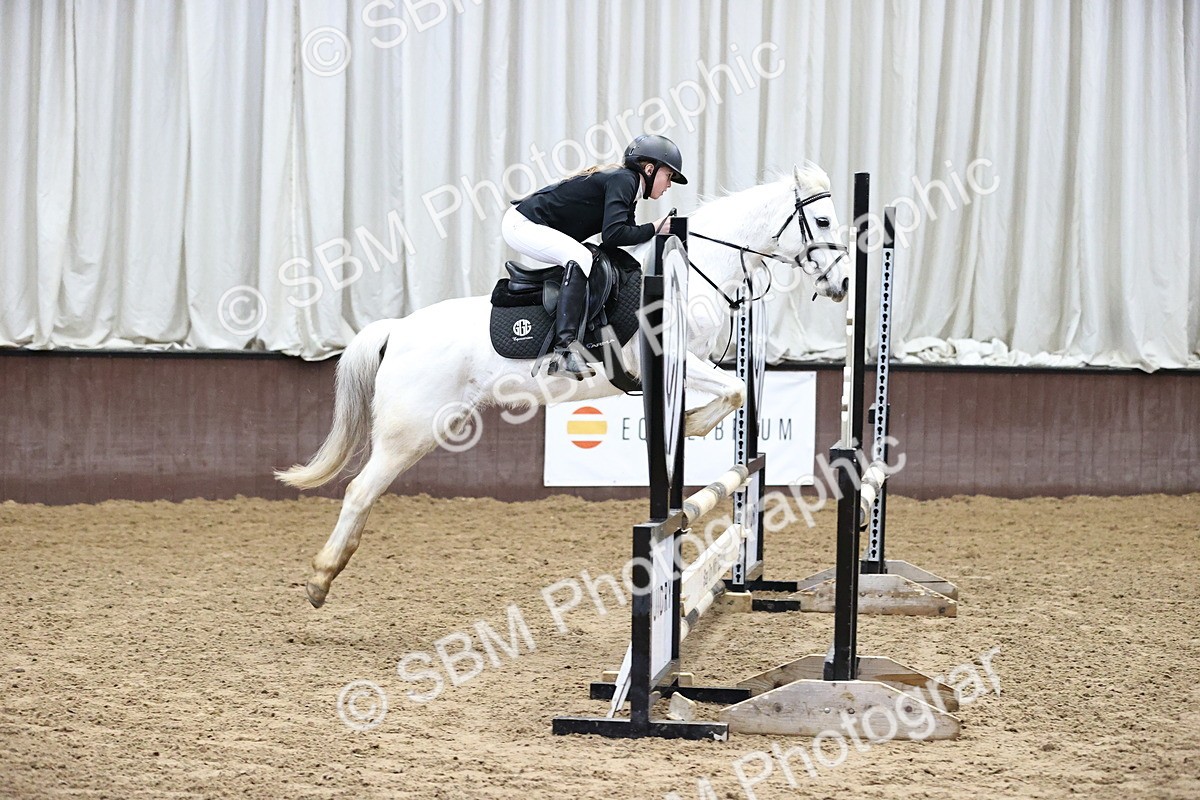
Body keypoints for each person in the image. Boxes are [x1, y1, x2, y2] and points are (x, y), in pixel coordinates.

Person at [502, 134, 688, 379]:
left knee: (588, 256)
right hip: (522, 224)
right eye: (669, 176)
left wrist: (653, 231)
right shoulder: (626, 180)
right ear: (650, 168)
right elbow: (613, 235)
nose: (669, 185)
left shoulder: (629, 186)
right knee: (580, 257)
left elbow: (623, 237)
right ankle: (564, 351)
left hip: (529, 223)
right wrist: (655, 227)